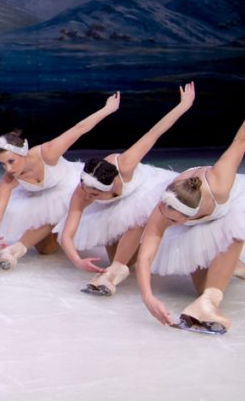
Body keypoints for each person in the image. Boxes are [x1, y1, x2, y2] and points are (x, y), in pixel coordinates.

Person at [137, 72, 245, 334]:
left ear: (191, 215)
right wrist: (148, 297)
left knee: (230, 242)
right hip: (194, 205)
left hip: (231, 207)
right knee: (200, 288)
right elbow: (145, 256)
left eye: (174, 221)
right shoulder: (165, 207)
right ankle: (230, 266)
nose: (166, 222)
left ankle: (213, 293)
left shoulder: (219, 180)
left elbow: (241, 140)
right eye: (166, 216)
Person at [54, 84, 194, 296]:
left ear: (109, 186)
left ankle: (117, 270)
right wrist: (77, 261)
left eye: (94, 194)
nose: (88, 196)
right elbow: (67, 235)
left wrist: (183, 105)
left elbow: (154, 132)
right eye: (86, 190)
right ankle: (123, 263)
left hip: (143, 190)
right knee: (126, 259)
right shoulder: (82, 191)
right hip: (116, 205)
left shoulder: (126, 164)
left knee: (136, 219)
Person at [0, 92, 120, 269]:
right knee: (46, 249)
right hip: (43, 200)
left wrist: (107, 109)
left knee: (58, 206)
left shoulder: (47, 153)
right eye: (2, 164)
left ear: (23, 153)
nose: (8, 169)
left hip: (70, 187)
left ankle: (14, 250)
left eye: (11, 161)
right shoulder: (8, 179)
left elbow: (79, 128)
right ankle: (52, 234)